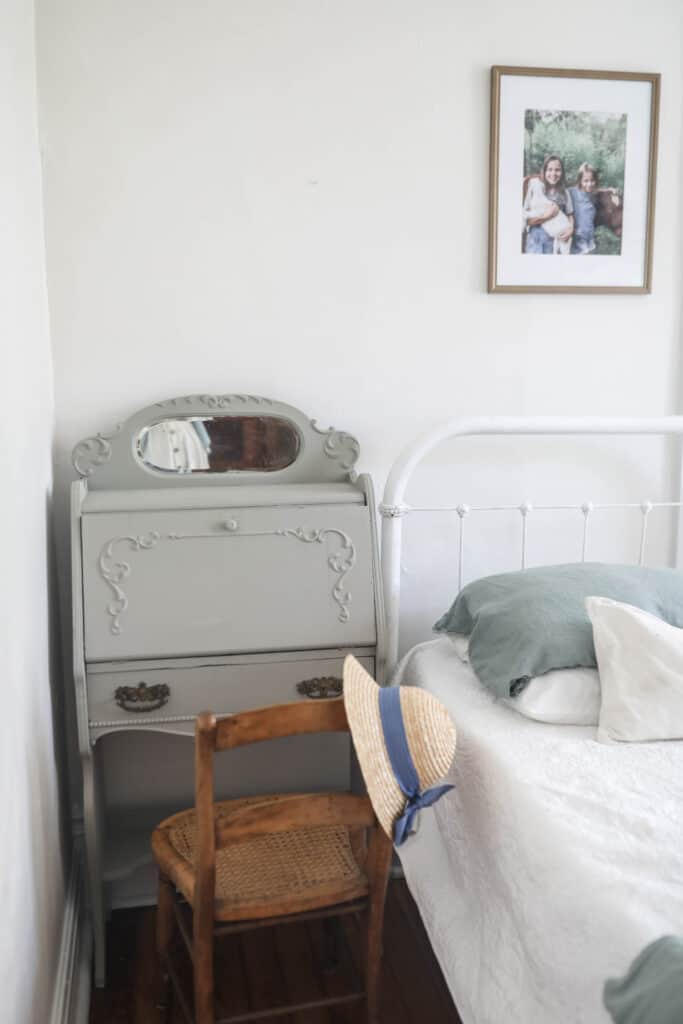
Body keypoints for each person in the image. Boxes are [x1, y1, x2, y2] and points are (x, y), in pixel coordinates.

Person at [523, 155, 574, 254]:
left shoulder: (565, 192)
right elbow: (527, 220)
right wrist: (548, 215)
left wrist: (571, 229)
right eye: (549, 170)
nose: (553, 173)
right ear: (544, 171)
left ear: (562, 172)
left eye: (557, 170)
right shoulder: (535, 187)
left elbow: (570, 214)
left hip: (555, 243)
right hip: (535, 242)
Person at [569, 162, 599, 254]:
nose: (589, 184)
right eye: (586, 181)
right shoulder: (572, 193)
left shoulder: (593, 195)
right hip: (577, 240)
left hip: (589, 238)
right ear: (580, 181)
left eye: (592, 180)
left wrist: (611, 190)